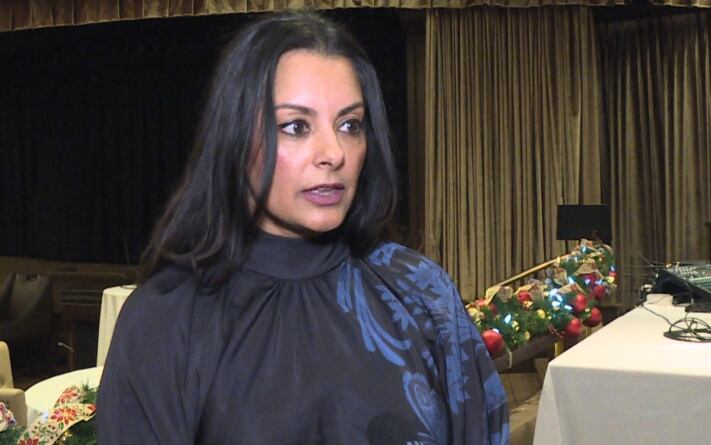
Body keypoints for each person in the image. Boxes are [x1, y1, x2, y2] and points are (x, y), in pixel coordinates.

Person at [97, 11, 508, 444]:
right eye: (296, 126)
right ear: (235, 137)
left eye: (350, 125)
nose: (333, 153)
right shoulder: (165, 321)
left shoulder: (420, 291)